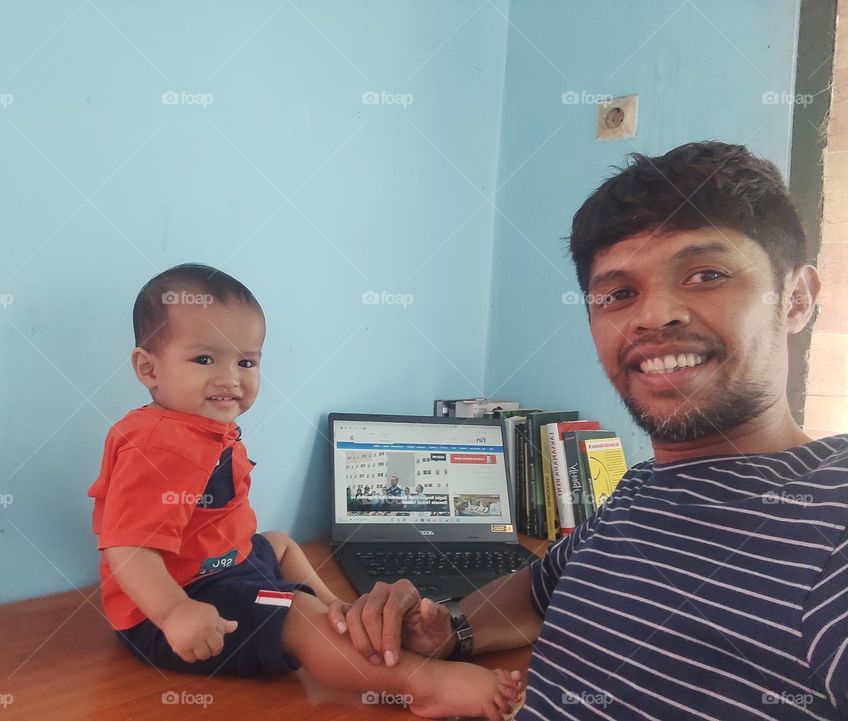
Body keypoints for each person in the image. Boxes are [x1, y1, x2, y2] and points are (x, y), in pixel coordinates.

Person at [328, 142, 848, 720]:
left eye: (706, 274)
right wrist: (450, 627)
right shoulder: (641, 489)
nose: (652, 316)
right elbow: (538, 587)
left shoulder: (828, 515)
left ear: (796, 299)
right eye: (620, 293)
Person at [87, 263, 524, 720]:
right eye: (203, 359)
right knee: (292, 611)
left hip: (221, 567)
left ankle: (337, 610)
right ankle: (422, 685)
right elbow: (128, 548)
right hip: (177, 608)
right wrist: (176, 613)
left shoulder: (200, 426)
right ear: (148, 368)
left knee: (278, 543)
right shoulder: (157, 442)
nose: (229, 378)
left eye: (246, 361)